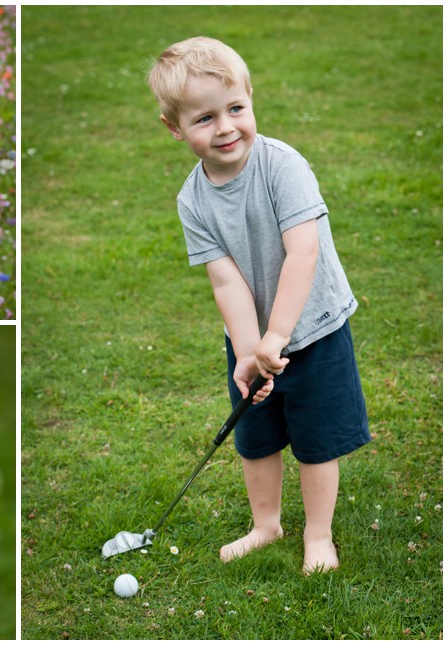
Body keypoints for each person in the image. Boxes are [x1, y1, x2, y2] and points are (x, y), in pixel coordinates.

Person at [148, 37, 370, 574]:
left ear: (250, 99)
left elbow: (303, 252)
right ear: (174, 127)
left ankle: (318, 535)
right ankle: (266, 525)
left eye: (235, 109)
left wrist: (277, 338)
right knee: (256, 438)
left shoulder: (282, 166)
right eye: (204, 118)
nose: (225, 127)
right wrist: (250, 350)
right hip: (251, 340)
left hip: (313, 329)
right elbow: (226, 282)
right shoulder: (192, 200)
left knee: (317, 441)